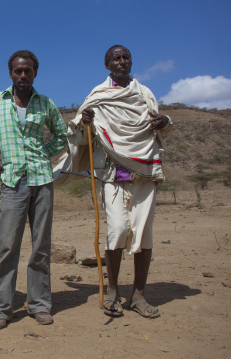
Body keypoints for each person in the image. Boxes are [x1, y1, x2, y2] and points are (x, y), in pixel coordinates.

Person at [67, 45, 171, 318]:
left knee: (143, 232)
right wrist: (84, 120)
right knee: (118, 230)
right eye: (117, 58)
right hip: (113, 175)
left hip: (143, 173)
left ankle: (139, 295)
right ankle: (113, 291)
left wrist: (164, 121)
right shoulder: (98, 95)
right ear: (107, 65)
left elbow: (158, 124)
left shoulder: (144, 93)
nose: (122, 61)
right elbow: (79, 129)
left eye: (126, 57)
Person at [0, 50, 68, 330]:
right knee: (8, 246)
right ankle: (1, 309)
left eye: (28, 71)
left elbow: (62, 136)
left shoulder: (45, 104)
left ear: (35, 73)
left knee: (41, 247)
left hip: (42, 180)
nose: (23, 75)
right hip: (12, 181)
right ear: (10, 73)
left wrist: (42, 153)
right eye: (18, 71)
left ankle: (40, 305)